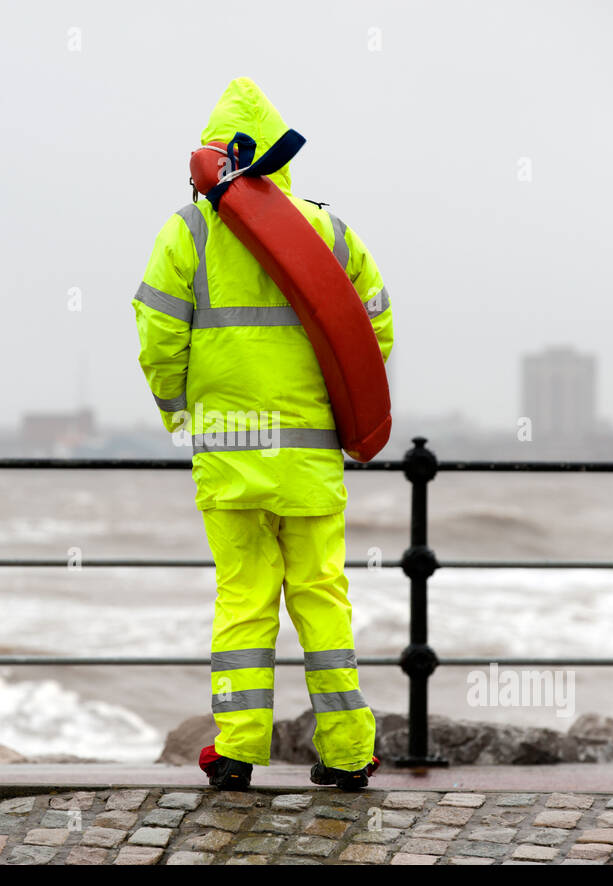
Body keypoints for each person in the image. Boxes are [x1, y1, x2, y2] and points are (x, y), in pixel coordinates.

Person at [131, 77, 394, 792]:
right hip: (310, 461)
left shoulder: (185, 232)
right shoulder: (331, 232)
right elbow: (374, 328)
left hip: (229, 461)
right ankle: (346, 752)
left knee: (244, 599)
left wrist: (178, 406)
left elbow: (158, 335)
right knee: (322, 597)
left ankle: (238, 749)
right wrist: (346, 410)